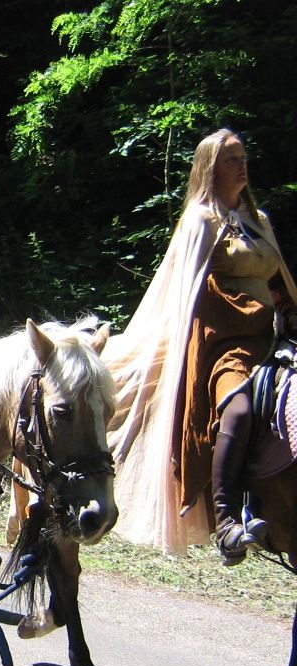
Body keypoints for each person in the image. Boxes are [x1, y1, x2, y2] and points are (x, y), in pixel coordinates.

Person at [103, 128, 297, 566]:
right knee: (239, 410)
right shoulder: (200, 220)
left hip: (273, 336)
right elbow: (190, 296)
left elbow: (277, 280)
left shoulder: (259, 220)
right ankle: (228, 521)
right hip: (224, 341)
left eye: (243, 157)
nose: (242, 166)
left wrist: (286, 309)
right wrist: (244, 314)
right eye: (232, 160)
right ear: (211, 167)